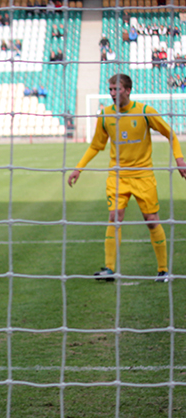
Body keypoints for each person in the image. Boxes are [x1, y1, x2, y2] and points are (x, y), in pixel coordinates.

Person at [68, 73, 186, 282]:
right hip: (117, 176)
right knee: (114, 217)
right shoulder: (105, 115)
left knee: (152, 220)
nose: (113, 93)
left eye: (117, 89)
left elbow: (170, 134)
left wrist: (179, 159)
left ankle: (163, 270)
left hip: (143, 175)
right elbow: (96, 145)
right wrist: (79, 168)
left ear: (128, 90)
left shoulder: (144, 112)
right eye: (110, 89)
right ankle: (109, 269)